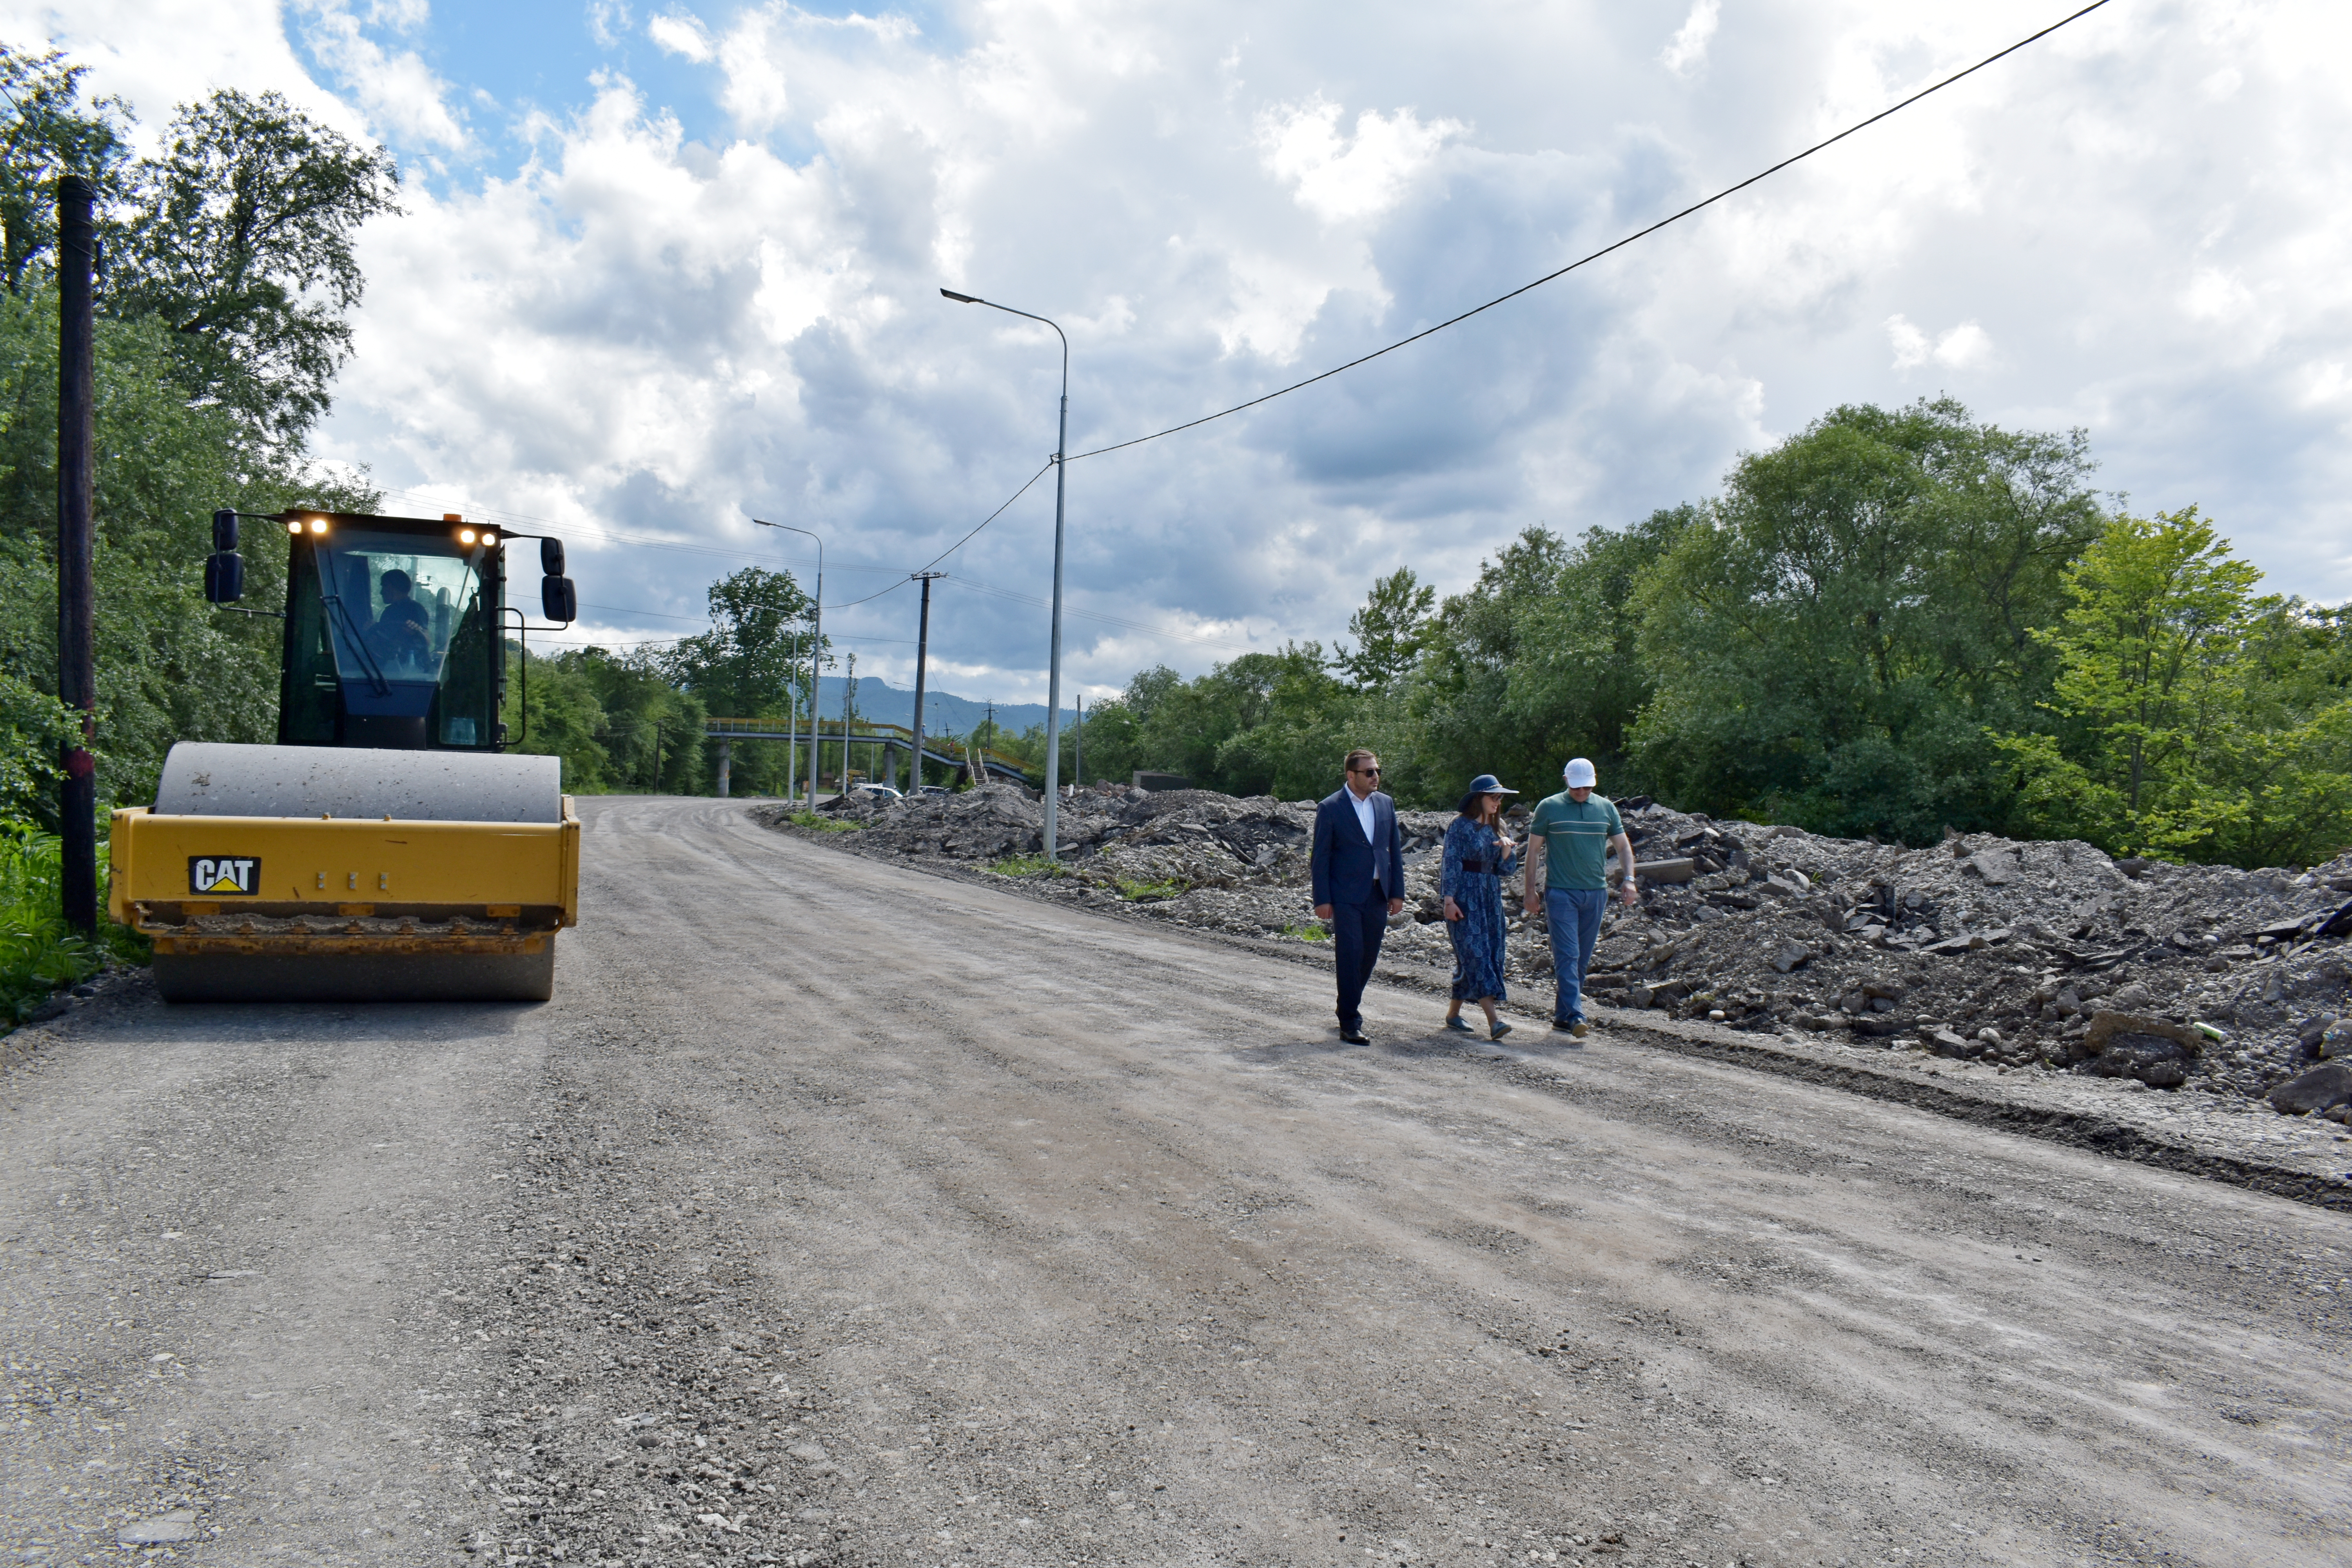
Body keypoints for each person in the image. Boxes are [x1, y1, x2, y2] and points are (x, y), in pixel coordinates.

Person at [1522, 757, 1638, 1037]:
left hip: (1596, 893)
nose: (1582, 793)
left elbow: (1623, 847)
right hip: (1561, 892)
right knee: (1567, 954)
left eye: (1587, 788)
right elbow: (1534, 851)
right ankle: (1576, 1015)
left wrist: (1630, 879)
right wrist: (1530, 891)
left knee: (1581, 958)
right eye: (1577, 789)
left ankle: (1562, 1016)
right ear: (1566, 782)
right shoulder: (1548, 808)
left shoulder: (1606, 808)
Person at [1310, 749, 1405, 1045]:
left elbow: (1394, 851)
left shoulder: (1386, 804)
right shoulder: (1331, 808)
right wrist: (1322, 899)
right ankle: (1351, 1021)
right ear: (1351, 775)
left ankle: (1346, 1005)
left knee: (1368, 955)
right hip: (1345, 895)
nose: (1375, 777)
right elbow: (1321, 856)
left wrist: (1397, 892)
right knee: (1350, 954)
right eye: (1369, 772)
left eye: (1377, 771)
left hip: (1378, 893)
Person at [1441, 774, 1518, 1041]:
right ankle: (1494, 1021)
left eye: (1500, 797)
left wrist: (1507, 854)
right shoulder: (1459, 826)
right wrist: (1448, 900)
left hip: (1490, 897)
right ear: (1479, 799)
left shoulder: (1501, 827)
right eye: (1493, 797)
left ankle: (1453, 1015)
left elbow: (1507, 871)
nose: (1498, 802)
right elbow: (1451, 863)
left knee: (1485, 954)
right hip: (1464, 896)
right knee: (1476, 954)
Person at [372, 569, 433, 665]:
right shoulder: (388, 612)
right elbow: (381, 642)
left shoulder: (416, 609)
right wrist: (371, 630)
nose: (382, 592)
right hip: (389, 664)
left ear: (394, 587)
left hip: (413, 667)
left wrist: (415, 632)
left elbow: (426, 640)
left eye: (384, 586)